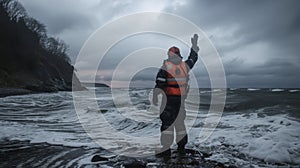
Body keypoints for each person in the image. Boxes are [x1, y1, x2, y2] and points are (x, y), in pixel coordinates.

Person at [152, 34, 199, 157]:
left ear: (169, 55)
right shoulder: (185, 66)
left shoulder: (165, 67)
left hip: (168, 101)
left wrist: (155, 96)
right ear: (179, 55)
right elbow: (193, 58)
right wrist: (194, 47)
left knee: (167, 124)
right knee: (180, 124)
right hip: (180, 101)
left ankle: (166, 150)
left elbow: (159, 84)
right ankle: (181, 148)